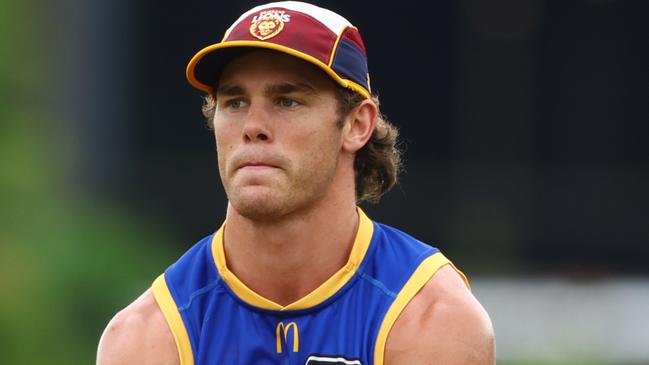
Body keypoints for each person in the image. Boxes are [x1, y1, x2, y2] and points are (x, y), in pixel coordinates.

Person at [96, 2, 495, 364]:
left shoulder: (428, 315)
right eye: (234, 102)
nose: (252, 127)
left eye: (287, 101)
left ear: (357, 125)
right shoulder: (146, 338)